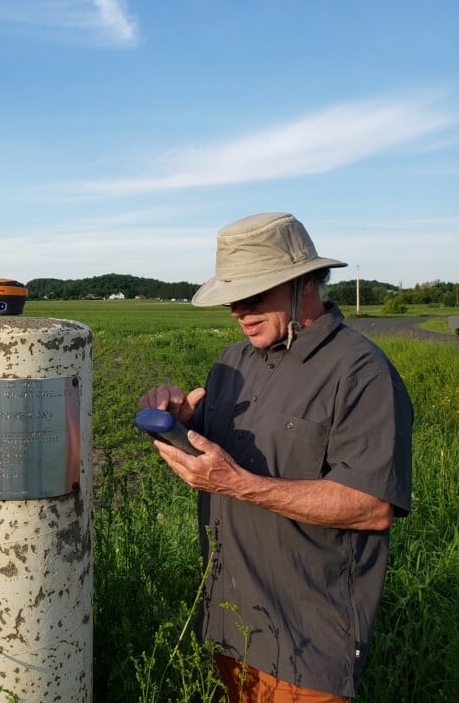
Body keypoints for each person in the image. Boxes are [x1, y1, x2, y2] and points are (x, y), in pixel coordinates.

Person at [140, 212, 412, 702]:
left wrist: (235, 483)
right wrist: (179, 424)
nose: (239, 311)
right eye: (232, 299)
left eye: (255, 294)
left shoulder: (360, 372)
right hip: (231, 623)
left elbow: (372, 506)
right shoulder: (231, 363)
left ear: (305, 282)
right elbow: (228, 452)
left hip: (308, 643)